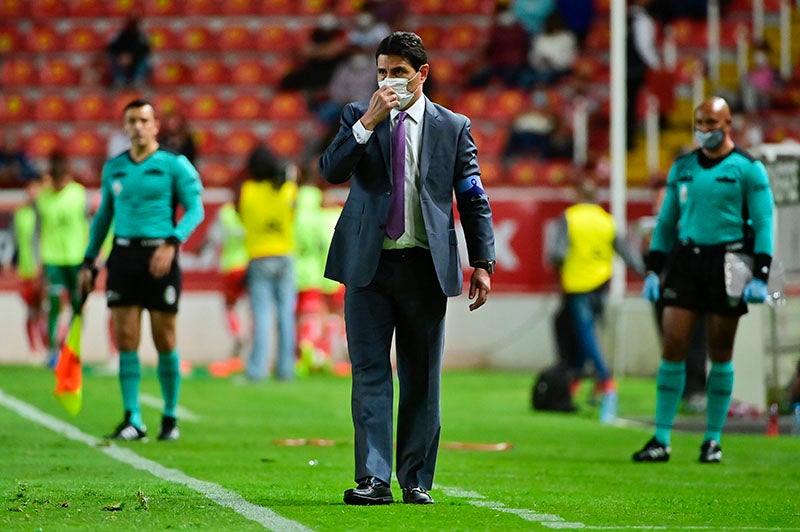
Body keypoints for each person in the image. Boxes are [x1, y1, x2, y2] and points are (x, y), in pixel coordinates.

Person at [320, 31, 495, 505]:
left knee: (421, 377)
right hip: (369, 268)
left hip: (424, 267)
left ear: (422, 73)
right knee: (370, 373)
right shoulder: (359, 115)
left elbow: (473, 197)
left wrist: (482, 261)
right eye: (382, 72)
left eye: (398, 72)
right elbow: (332, 170)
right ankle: (373, 479)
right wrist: (367, 125)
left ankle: (415, 479)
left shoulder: (453, 126)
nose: (388, 81)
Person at [633, 96, 774, 463]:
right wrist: (653, 269)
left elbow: (763, 223)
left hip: (731, 261)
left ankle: (712, 440)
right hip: (687, 259)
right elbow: (666, 222)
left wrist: (760, 273)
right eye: (700, 123)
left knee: (720, 351)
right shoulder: (682, 167)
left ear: (728, 124)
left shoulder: (748, 169)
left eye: (712, 123)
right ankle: (661, 438)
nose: (705, 130)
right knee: (673, 344)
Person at [78, 99, 204, 442]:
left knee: (165, 339)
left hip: (159, 256)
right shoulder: (114, 168)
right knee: (127, 339)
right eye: (131, 120)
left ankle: (169, 416)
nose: (137, 126)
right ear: (124, 127)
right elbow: (104, 216)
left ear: (155, 126)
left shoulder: (173, 165)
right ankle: (133, 417)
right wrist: (89, 260)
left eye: (143, 120)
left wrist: (172, 241)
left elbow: (195, 209)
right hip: (122, 256)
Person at [547, 177, 644, 419]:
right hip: (601, 284)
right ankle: (576, 382)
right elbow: (625, 252)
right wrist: (644, 272)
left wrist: (558, 265)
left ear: (578, 195)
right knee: (586, 335)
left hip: (577, 284)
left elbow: (557, 253)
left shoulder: (569, 218)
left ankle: (606, 379)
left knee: (585, 334)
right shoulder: (607, 220)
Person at [236, 145, 298, 382]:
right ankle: (285, 369)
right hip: (285, 253)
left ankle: (257, 369)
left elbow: (241, 216)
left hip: (259, 255)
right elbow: (293, 212)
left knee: (262, 316)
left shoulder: (248, 191)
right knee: (286, 315)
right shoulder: (288, 190)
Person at [35, 151, 89, 368]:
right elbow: (38, 230)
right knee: (54, 304)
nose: (59, 185)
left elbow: (88, 224)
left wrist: (90, 258)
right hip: (53, 258)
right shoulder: (43, 197)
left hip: (76, 257)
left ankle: (73, 349)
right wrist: (39, 259)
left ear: (68, 177)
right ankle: (52, 352)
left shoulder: (79, 194)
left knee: (78, 305)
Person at [205, 200, 249, 378]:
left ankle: (237, 334)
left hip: (231, 267)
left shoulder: (226, 213)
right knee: (255, 308)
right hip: (249, 263)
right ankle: (251, 345)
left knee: (230, 307)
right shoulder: (251, 206)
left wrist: (200, 250)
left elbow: (214, 239)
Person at [13, 177, 47, 358]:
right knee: (32, 309)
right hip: (26, 269)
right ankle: (33, 348)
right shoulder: (20, 213)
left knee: (48, 308)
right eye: (30, 189)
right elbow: (15, 241)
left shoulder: (45, 212)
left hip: (45, 268)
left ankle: (48, 346)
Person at [626, 0, 661, 150]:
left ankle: (629, 139)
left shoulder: (625, 18)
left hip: (625, 70)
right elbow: (644, 47)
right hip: (636, 70)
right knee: (634, 105)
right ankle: (630, 140)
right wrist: (657, 65)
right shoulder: (641, 20)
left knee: (629, 106)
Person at [107, 13, 151, 88]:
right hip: (121, 60)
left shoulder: (142, 35)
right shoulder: (119, 34)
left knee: (145, 60)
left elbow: (146, 49)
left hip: (137, 60)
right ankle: (119, 81)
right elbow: (111, 47)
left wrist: (132, 57)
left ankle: (139, 80)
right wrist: (121, 56)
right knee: (112, 58)